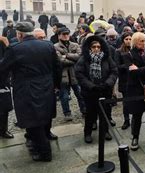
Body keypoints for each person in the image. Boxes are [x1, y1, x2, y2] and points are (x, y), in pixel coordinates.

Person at [0, 22, 61, 161]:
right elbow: (57, 67)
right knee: (44, 118)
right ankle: (37, 145)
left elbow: (3, 69)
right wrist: (56, 85)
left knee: (32, 121)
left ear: (19, 34)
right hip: (46, 87)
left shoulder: (15, 49)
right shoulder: (47, 46)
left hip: (26, 90)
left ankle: (45, 153)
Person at [75, 35, 117, 144]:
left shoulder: (106, 58)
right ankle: (87, 133)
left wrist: (107, 83)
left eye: (98, 47)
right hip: (90, 92)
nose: (96, 49)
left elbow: (113, 71)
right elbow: (79, 74)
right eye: (94, 47)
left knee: (105, 113)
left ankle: (105, 131)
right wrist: (91, 86)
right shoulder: (84, 59)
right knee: (90, 114)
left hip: (104, 90)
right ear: (90, 48)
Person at [54, 27, 86, 120]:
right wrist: (73, 59)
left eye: (67, 34)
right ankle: (67, 113)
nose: (66, 36)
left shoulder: (75, 45)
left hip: (75, 74)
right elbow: (60, 60)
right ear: (59, 35)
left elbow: (80, 57)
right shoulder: (55, 46)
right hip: (63, 75)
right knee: (64, 96)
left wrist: (67, 55)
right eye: (64, 34)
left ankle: (84, 110)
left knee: (80, 94)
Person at [115, 33, 132, 129]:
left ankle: (134, 118)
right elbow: (117, 66)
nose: (128, 40)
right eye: (126, 39)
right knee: (125, 102)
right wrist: (128, 66)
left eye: (130, 38)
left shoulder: (134, 50)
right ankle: (126, 120)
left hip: (134, 80)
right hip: (124, 80)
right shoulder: (118, 51)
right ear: (123, 40)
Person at [0, 36, 13, 139]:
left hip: (3, 81)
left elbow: (9, 59)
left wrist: (7, 44)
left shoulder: (2, 42)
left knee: (4, 108)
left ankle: (3, 130)